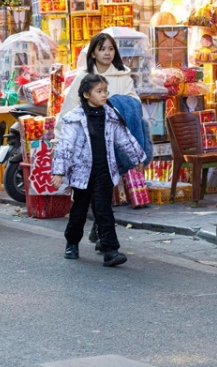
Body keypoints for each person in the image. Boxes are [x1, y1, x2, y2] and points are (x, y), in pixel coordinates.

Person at [52, 75, 146, 267]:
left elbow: (124, 138)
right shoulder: (75, 119)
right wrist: (59, 172)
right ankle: (72, 243)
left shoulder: (111, 115)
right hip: (82, 174)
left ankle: (111, 250)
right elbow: (65, 146)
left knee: (104, 210)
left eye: (105, 91)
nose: (104, 95)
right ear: (86, 94)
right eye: (99, 91)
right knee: (79, 210)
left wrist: (138, 157)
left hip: (105, 170)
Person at [59, 33, 138, 117]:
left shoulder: (123, 77)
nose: (107, 53)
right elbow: (69, 107)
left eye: (111, 49)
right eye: (102, 49)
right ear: (93, 53)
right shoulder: (83, 77)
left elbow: (134, 104)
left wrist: (114, 103)